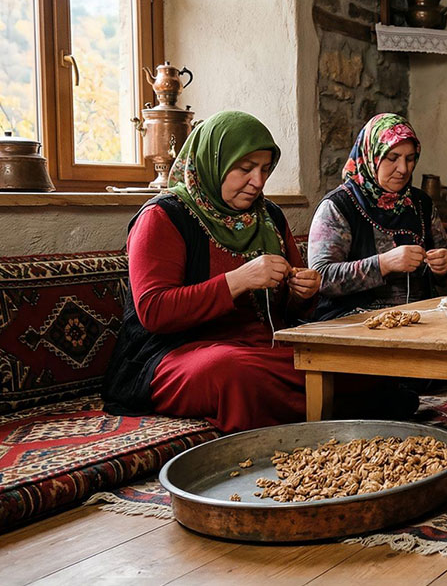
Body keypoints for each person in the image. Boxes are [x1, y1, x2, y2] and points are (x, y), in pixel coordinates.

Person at [103, 111, 319, 432]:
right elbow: (154, 311)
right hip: (173, 356)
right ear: (214, 161)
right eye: (245, 169)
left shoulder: (269, 216)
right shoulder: (163, 217)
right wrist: (238, 280)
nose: (257, 182)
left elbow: (289, 310)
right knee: (234, 372)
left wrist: (304, 292)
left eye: (265, 169)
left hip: (260, 349)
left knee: (338, 364)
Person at [308, 113, 447, 321]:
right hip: (352, 324)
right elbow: (321, 278)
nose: (403, 169)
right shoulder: (338, 206)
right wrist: (383, 264)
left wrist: (445, 266)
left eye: (410, 158)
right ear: (372, 155)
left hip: (418, 319)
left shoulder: (421, 204)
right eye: (392, 158)